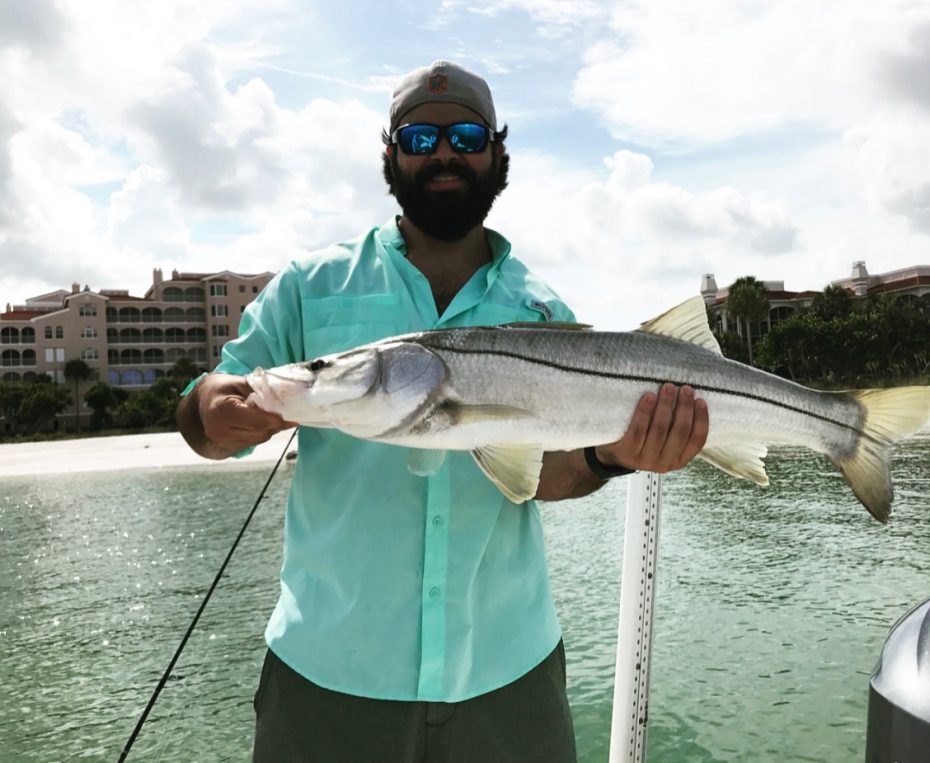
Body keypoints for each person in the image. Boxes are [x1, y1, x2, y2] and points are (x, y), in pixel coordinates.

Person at [176, 60, 709, 762]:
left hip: (507, 677)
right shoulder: (309, 286)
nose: (445, 154)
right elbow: (209, 416)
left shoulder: (545, 312)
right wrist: (210, 411)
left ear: (498, 154)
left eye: (465, 135)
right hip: (329, 675)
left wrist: (614, 455)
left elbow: (544, 475)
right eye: (420, 139)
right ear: (390, 155)